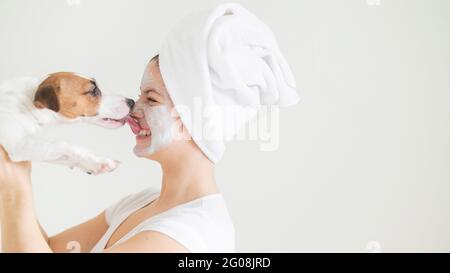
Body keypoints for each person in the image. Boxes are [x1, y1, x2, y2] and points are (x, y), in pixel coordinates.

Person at [0, 3, 299, 253]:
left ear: (196, 116)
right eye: (139, 95)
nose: (134, 108)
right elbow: (46, 248)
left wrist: (14, 186)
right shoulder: (140, 204)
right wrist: (18, 162)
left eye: (151, 99)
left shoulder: (184, 235)